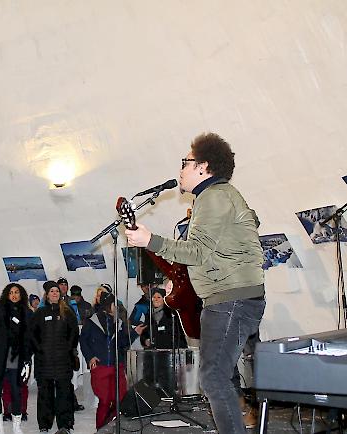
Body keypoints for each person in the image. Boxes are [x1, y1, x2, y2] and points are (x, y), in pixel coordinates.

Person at [125, 132, 265, 434]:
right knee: (217, 375)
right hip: (228, 297)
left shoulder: (213, 196)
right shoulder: (216, 196)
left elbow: (198, 252)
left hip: (230, 298)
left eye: (185, 162)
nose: (181, 169)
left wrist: (151, 240)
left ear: (204, 166)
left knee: (213, 377)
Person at [80, 290, 144, 429]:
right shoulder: (92, 321)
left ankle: (114, 427)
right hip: (101, 368)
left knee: (119, 400)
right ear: (109, 305)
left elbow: (121, 342)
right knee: (104, 401)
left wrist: (134, 334)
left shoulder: (118, 322)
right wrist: (90, 357)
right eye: (115, 304)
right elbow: (83, 341)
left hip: (117, 366)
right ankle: (101, 429)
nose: (117, 306)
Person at [0, 283, 32, 434]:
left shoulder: (26, 312)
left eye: (17, 292)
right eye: (11, 292)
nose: (14, 295)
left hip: (16, 358)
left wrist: (27, 359)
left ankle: (17, 426)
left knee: (16, 391)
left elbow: (29, 338)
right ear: (6, 294)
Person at [30, 281, 79, 433]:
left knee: (64, 393)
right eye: (52, 291)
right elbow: (32, 335)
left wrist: (68, 350)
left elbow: (74, 333)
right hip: (44, 362)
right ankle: (44, 424)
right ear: (47, 294)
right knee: (45, 394)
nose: (55, 293)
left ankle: (65, 424)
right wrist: (40, 350)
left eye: (57, 291)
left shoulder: (68, 312)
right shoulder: (40, 313)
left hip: (63, 361)